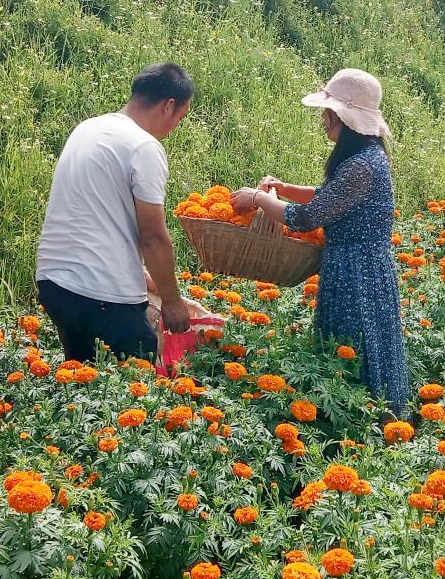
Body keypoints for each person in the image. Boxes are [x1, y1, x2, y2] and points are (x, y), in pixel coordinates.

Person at [231, 69, 410, 417]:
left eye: (328, 113)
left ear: (345, 117)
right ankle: (366, 418)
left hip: (358, 273)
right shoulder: (364, 159)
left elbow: (306, 217)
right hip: (358, 266)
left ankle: (370, 422)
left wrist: (258, 199)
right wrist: (282, 189)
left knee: (358, 344)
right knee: (355, 343)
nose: (323, 120)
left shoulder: (362, 165)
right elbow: (328, 196)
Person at [36, 62, 194, 363]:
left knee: (83, 387)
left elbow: (99, 215)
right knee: (136, 390)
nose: (174, 128)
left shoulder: (89, 127)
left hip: (54, 283)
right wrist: (172, 302)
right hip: (101, 293)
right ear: (169, 106)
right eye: (180, 118)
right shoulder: (142, 146)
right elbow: (153, 237)